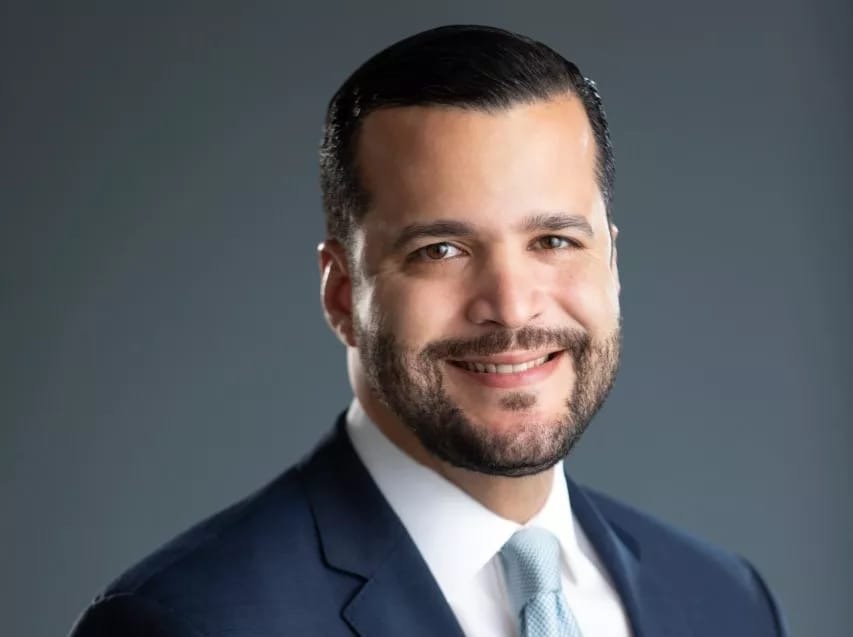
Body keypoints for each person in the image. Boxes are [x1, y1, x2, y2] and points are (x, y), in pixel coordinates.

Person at [69, 24, 787, 637]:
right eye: (440, 249)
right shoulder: (190, 620)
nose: (512, 307)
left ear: (612, 264)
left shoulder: (724, 602)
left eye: (554, 241)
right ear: (342, 293)